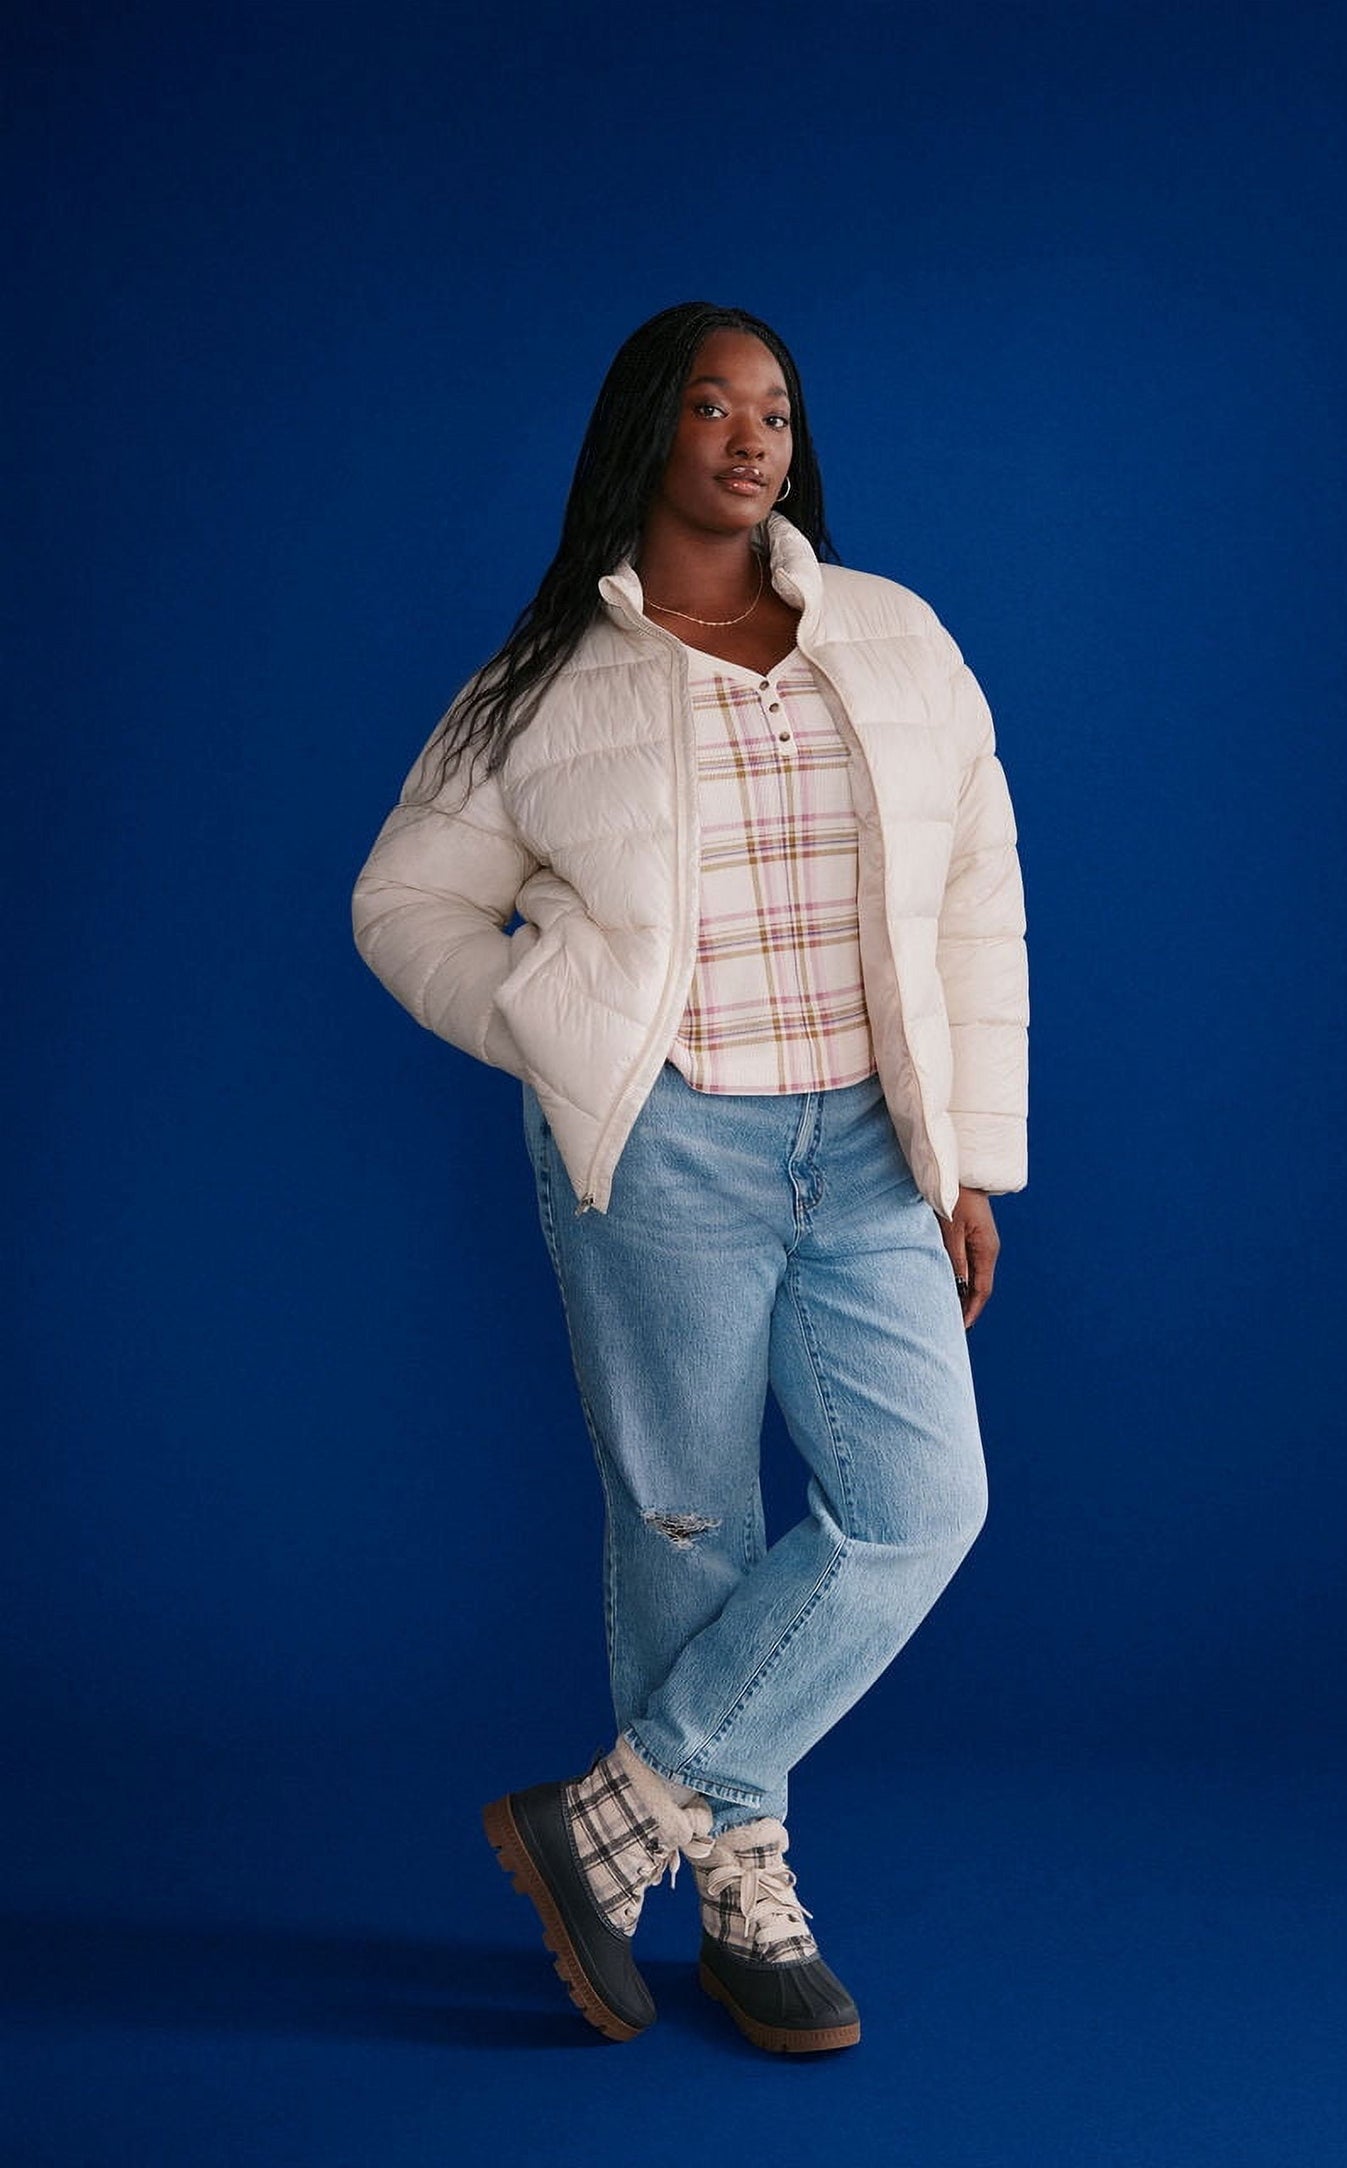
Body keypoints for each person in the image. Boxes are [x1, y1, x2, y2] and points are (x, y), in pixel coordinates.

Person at [352, 301, 1028, 2055]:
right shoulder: (548, 681)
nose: (751, 438)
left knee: (921, 1506)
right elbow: (403, 904)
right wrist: (559, 1027)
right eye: (715, 407)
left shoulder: (891, 636)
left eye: (775, 411)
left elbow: (974, 892)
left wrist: (973, 1156)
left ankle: (615, 1815)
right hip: (663, 1148)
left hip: (869, 1146)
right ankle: (738, 1890)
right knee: (685, 1521)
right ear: (649, 429)